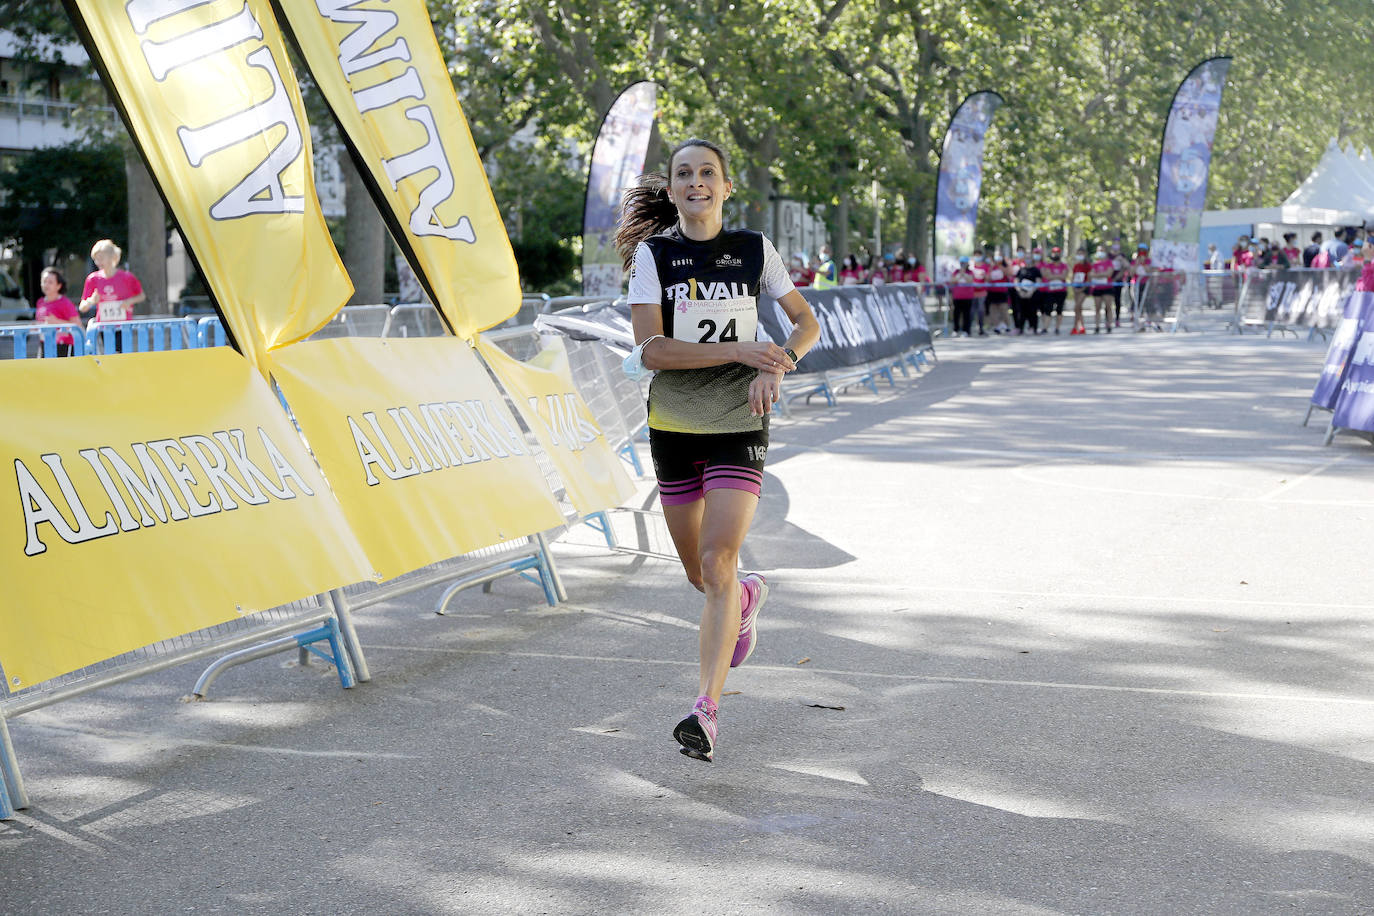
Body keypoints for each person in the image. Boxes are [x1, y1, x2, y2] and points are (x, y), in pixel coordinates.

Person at [616, 138, 820, 762]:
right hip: (674, 423)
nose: (697, 182)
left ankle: (705, 708)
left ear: (726, 187)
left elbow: (806, 324)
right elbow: (652, 351)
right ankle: (745, 602)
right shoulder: (654, 257)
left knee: (719, 560)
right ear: (673, 188)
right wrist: (739, 351)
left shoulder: (755, 250)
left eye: (708, 173)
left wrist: (778, 364)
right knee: (701, 575)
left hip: (740, 420)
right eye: (685, 174)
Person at [79, 239, 145, 355]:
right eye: (95, 259)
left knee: (122, 355)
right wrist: (91, 301)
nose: (98, 262)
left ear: (111, 257)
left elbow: (141, 296)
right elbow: (82, 307)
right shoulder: (92, 279)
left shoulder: (126, 277)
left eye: (101, 258)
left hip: (124, 326)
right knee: (109, 355)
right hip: (104, 326)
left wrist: (129, 301)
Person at [34, 266, 80, 357]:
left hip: (63, 346)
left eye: (50, 282)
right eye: (44, 281)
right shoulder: (40, 302)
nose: (46, 285)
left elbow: (78, 326)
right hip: (44, 344)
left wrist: (57, 322)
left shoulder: (65, 303)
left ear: (59, 286)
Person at [1039, 246, 1070, 334]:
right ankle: (1045, 328)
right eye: (1054, 252)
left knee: (1059, 310)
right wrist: (1058, 276)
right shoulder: (1048, 265)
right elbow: (1047, 276)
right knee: (1048, 309)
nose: (1055, 254)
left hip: (1061, 291)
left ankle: (1057, 328)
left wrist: (1053, 276)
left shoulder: (1064, 265)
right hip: (1050, 291)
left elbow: (1064, 276)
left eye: (1057, 252)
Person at [948, 255, 978, 337]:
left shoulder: (970, 272)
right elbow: (952, 281)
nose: (963, 264)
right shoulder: (956, 272)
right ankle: (956, 329)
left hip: (968, 296)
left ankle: (966, 331)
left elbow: (970, 280)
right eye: (961, 263)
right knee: (956, 314)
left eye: (964, 263)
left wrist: (963, 274)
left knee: (966, 314)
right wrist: (959, 275)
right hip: (957, 296)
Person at [1088, 247, 1115, 332]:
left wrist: (1097, 274)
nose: (1100, 252)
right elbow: (1091, 274)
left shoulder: (1109, 263)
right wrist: (1102, 274)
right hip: (1097, 288)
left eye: (1102, 251)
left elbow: (1109, 274)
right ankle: (1097, 326)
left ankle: (1109, 325)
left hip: (1107, 288)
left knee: (1108, 307)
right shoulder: (1095, 264)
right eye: (1099, 251)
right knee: (1097, 308)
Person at [1069, 246, 1091, 334]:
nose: (1079, 255)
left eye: (1081, 254)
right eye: (1078, 254)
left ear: (1084, 254)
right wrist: (1074, 288)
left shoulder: (1087, 266)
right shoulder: (1076, 266)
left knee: (1076, 307)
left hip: (1084, 289)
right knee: (1078, 309)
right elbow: (1073, 278)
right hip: (1076, 288)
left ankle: (1075, 327)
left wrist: (1082, 289)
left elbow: (1089, 279)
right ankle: (1081, 327)